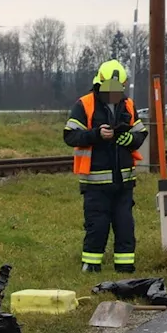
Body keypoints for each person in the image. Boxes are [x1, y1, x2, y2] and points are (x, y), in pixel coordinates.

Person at [63, 59, 148, 273]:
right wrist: (97, 135)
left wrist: (128, 139)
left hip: (124, 181)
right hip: (95, 182)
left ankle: (125, 266)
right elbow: (70, 135)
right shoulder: (84, 104)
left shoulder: (128, 104)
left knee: (125, 226)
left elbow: (140, 133)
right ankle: (91, 266)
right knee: (97, 226)